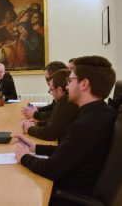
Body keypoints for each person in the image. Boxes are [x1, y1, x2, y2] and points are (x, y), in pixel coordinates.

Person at [14, 56, 116, 205]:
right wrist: (35, 147)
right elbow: (69, 152)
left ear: (84, 84)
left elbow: (51, 169)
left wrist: (23, 157)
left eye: (70, 80)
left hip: (66, 196)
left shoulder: (84, 125)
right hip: (75, 188)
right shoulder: (103, 112)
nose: (67, 87)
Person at [21, 69, 79, 142]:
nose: (67, 87)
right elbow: (56, 120)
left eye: (51, 91)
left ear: (60, 90)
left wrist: (29, 129)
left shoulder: (66, 101)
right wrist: (38, 123)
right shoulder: (66, 100)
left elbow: (49, 133)